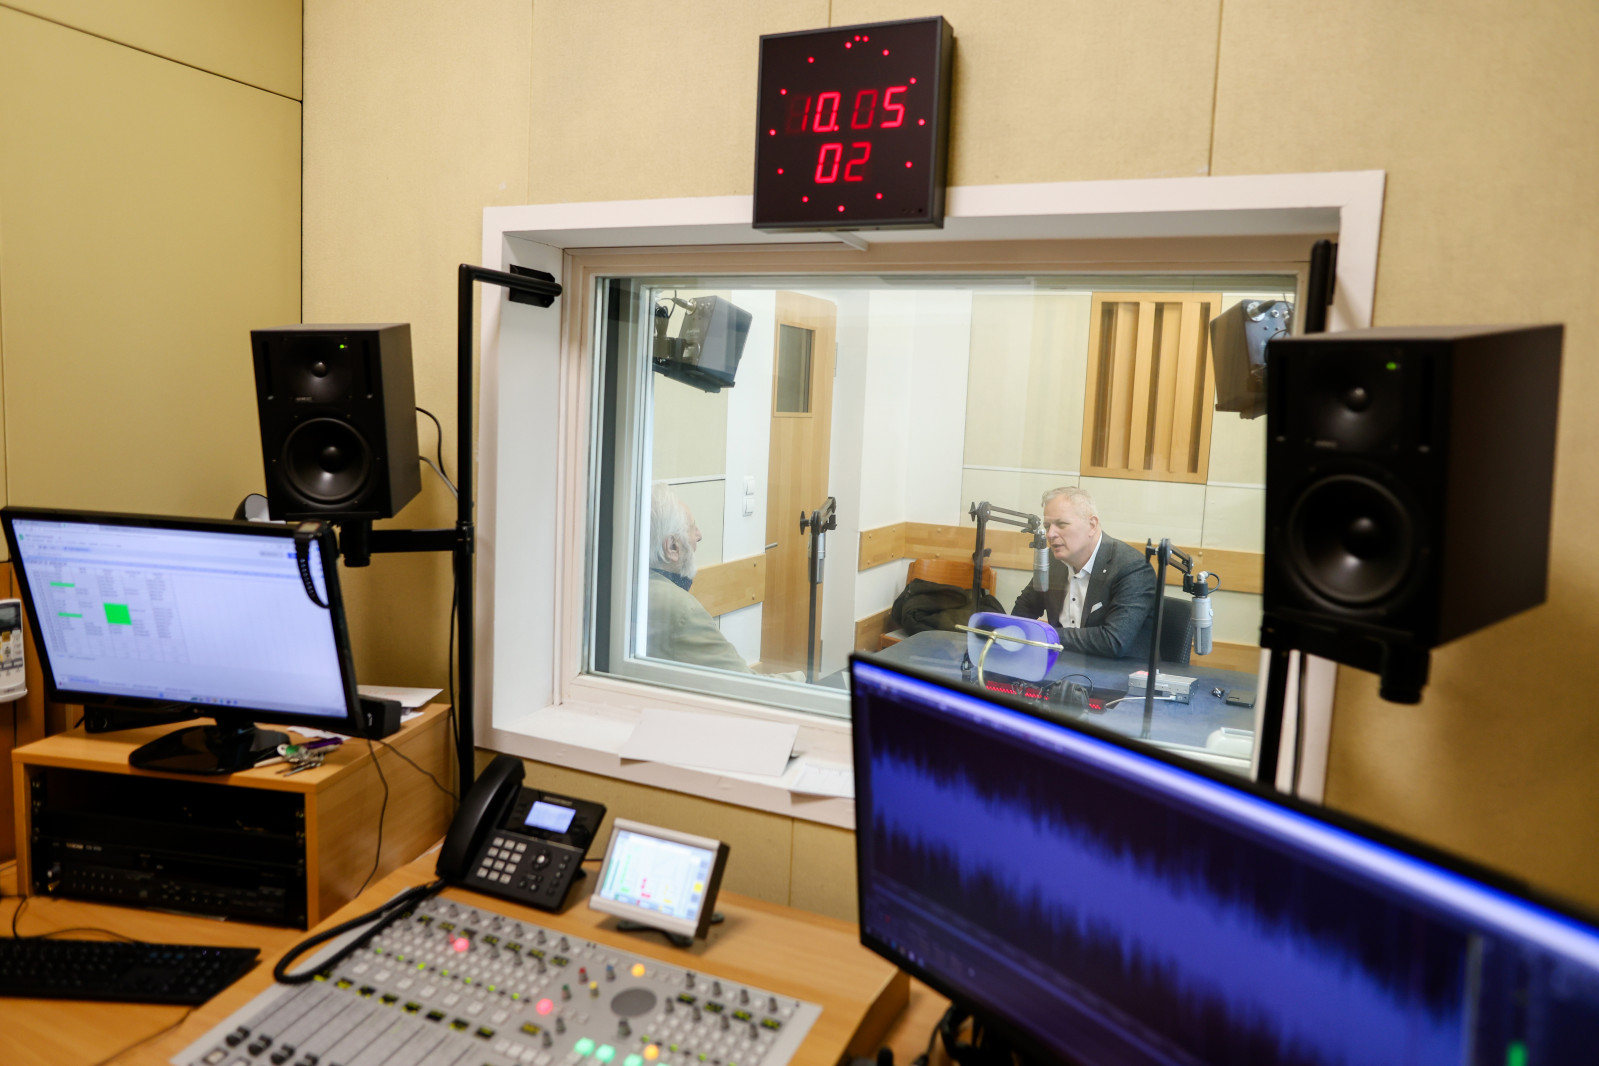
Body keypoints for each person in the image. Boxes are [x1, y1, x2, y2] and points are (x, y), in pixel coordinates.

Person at [646, 482, 780, 676]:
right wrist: (806, 682)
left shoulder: (628, 585)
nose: (699, 536)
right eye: (692, 528)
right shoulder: (684, 611)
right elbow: (743, 683)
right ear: (672, 547)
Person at [1009, 486, 1157, 659]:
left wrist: (1045, 635)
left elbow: (1113, 641)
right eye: (1047, 526)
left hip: (1119, 671)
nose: (1050, 534)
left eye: (1061, 524)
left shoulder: (1132, 567)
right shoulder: (1052, 560)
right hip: (1063, 665)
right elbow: (1025, 608)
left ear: (1092, 525)